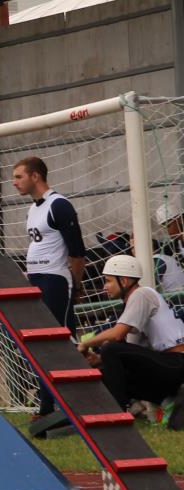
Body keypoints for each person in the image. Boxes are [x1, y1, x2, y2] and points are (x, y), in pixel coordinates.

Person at [13, 156, 87, 417]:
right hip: (36, 280)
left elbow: (77, 252)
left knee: (62, 342)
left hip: (56, 280)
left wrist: (75, 286)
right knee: (40, 345)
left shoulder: (59, 205)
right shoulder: (33, 209)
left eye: (19, 177)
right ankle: (47, 406)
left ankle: (78, 402)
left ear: (35, 176)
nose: (14, 183)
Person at [78, 254, 184, 426]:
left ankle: (118, 415)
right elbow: (130, 354)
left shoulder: (141, 294)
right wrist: (100, 360)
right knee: (106, 372)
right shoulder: (133, 303)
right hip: (168, 366)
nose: (104, 287)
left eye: (108, 281)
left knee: (111, 347)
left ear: (124, 281)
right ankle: (167, 402)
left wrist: (85, 343)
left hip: (177, 362)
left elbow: (117, 334)